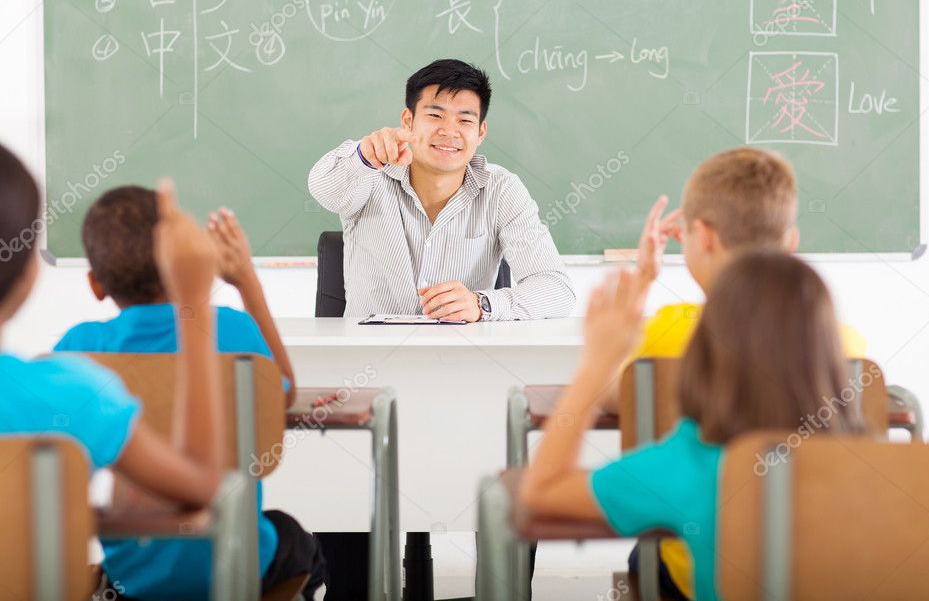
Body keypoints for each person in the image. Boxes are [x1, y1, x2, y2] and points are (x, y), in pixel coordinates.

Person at [519, 251, 865, 601]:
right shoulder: (880, 471)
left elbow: (541, 490)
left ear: (705, 351)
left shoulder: (691, 465)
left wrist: (597, 362)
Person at [53, 185, 324, 600]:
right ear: (185, 264)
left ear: (95, 284)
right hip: (240, 562)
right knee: (294, 537)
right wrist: (245, 280)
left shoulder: (80, 348)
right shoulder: (230, 329)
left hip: (131, 571)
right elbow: (282, 393)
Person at [0, 143, 230, 596]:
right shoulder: (68, 394)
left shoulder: (76, 362)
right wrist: (194, 304)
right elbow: (202, 487)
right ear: (28, 271)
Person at [308, 58, 575, 321]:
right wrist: (363, 156)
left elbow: (557, 289)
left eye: (465, 120)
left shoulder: (501, 190)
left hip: (460, 357)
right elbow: (323, 189)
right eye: (435, 115)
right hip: (371, 355)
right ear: (408, 120)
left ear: (481, 132)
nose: (449, 131)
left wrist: (483, 304)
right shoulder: (370, 173)